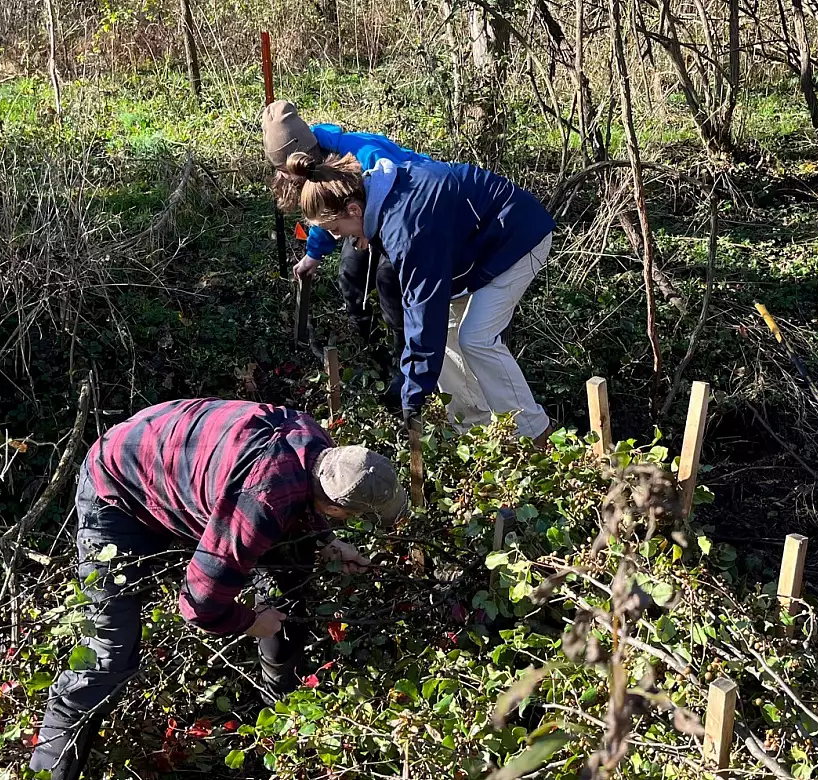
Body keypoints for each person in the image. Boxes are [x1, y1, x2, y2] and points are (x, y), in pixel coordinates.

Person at [30, 398, 405, 779]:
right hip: (117, 488)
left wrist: (326, 540)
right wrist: (251, 622)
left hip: (170, 461)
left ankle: (283, 723)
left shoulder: (316, 445)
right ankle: (49, 771)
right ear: (337, 506)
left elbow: (302, 494)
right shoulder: (262, 498)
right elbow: (199, 602)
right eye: (352, 516)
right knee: (110, 653)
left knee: (290, 571)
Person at [272, 150, 555, 442]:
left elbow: (423, 311)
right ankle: (473, 426)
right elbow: (422, 311)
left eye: (336, 229)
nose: (341, 236)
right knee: (446, 333)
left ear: (354, 210)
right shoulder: (377, 194)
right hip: (474, 247)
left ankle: (534, 431)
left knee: (476, 338)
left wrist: (413, 397)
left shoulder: (407, 227)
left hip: (518, 237)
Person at [262, 100, 431, 365]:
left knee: (388, 281)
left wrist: (372, 231)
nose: (290, 179)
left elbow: (404, 191)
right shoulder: (307, 167)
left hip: (407, 217)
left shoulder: (362, 154)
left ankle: (406, 362)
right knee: (350, 274)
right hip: (359, 218)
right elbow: (325, 212)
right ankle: (372, 354)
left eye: (289, 173)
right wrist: (313, 255)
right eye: (284, 173)